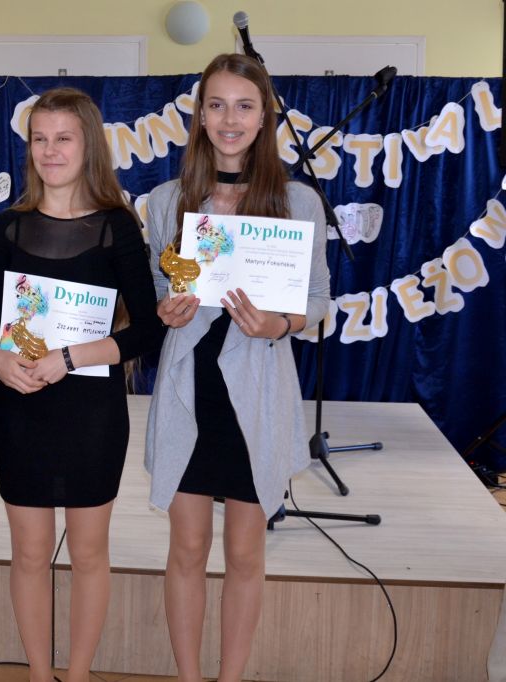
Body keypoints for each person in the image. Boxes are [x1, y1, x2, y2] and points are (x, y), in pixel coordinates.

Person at [144, 53, 331, 682]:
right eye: (217, 105)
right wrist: (167, 309)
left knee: (246, 553)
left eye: (244, 106)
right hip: (189, 389)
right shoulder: (167, 201)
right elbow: (160, 291)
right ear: (200, 116)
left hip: (256, 390)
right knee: (186, 549)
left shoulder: (298, 202)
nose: (230, 119)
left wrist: (279, 325)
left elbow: (317, 301)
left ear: (264, 116)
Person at [0, 87, 162, 682]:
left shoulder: (117, 227)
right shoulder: (8, 227)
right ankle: (38, 673)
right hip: (19, 407)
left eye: (63, 138)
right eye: (39, 139)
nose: (50, 150)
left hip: (91, 412)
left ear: (89, 147)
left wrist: (70, 358)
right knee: (29, 553)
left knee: (88, 553)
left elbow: (148, 330)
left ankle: (76, 675)